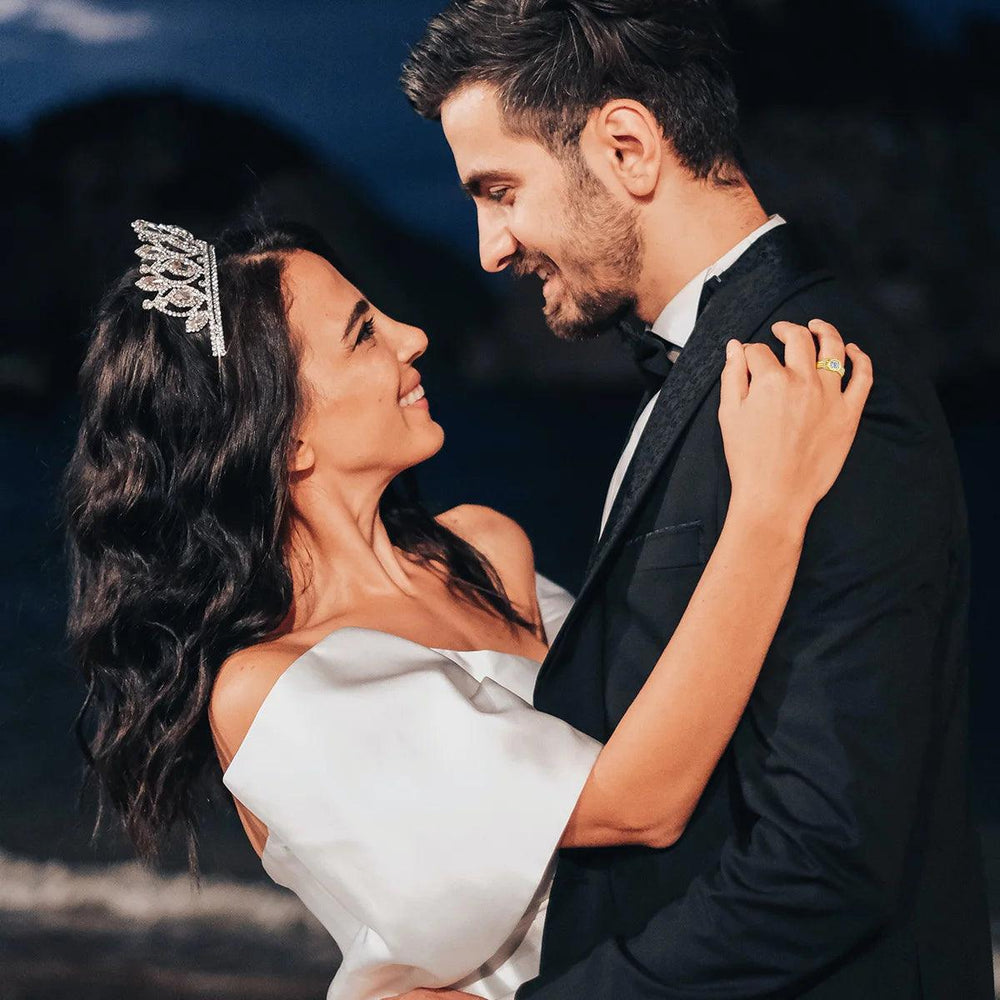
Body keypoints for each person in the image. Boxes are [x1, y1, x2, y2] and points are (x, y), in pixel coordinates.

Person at [65, 218, 868, 1000]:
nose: (412, 335)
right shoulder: (270, 689)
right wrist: (771, 501)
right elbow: (638, 801)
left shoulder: (481, 551)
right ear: (285, 441)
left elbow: (664, 696)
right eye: (362, 334)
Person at [398, 2, 993, 998]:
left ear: (626, 145)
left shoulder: (824, 380)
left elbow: (826, 858)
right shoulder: (716, 367)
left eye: (499, 190)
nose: (489, 248)